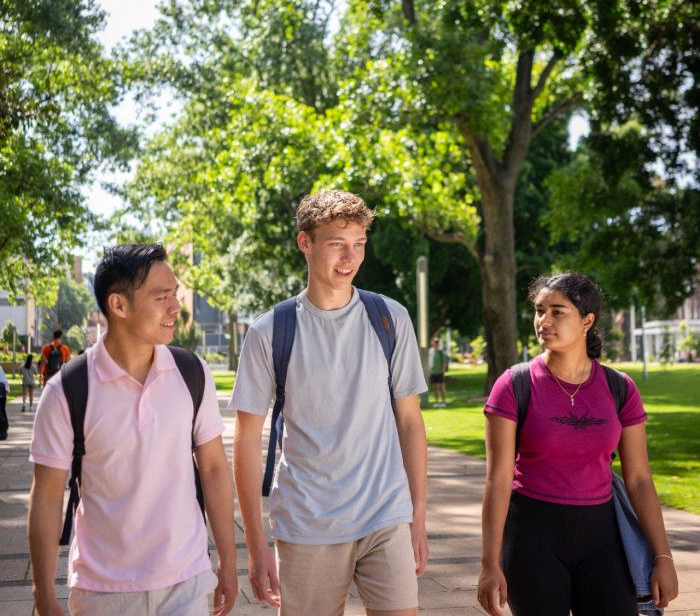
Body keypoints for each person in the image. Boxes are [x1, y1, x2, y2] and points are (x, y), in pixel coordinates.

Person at [231, 190, 429, 615]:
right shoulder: (270, 332)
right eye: (337, 243)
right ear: (305, 242)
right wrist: (256, 544)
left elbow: (410, 422)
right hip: (308, 525)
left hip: (385, 516)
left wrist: (418, 514)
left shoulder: (390, 319)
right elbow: (246, 439)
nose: (350, 257)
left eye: (358, 244)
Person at [29, 243, 238, 616]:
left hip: (185, 581)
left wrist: (227, 558)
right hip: (103, 591)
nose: (176, 307)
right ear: (119, 305)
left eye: (175, 294)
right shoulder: (68, 391)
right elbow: (46, 496)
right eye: (162, 297)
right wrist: (43, 595)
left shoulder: (192, 374)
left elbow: (214, 468)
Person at [478, 272, 679, 616]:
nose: (544, 321)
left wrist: (663, 557)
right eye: (540, 311)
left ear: (587, 320)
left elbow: (640, 479)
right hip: (532, 537)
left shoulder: (620, 388)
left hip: (604, 540)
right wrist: (488, 564)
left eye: (558, 312)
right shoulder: (514, 384)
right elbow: (498, 479)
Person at [428, 337, 448, 407]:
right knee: (435, 388)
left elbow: (444, 362)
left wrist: (442, 371)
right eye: (433, 342)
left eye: (435, 342)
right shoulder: (431, 351)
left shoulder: (441, 352)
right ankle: (436, 402)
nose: (434, 344)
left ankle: (443, 402)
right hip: (433, 373)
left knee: (441, 388)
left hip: (440, 373)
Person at [0, 366, 9, 440]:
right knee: (2, 411)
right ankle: (3, 431)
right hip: (2, 391)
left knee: (1, 412)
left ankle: (2, 431)